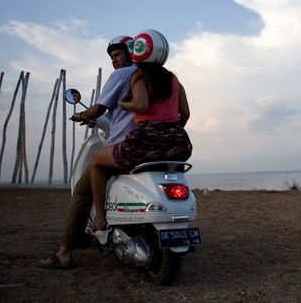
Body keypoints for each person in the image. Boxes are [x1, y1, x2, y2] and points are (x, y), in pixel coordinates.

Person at [39, 35, 136, 269]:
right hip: (152, 145)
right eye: (112, 57)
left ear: (131, 53)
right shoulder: (150, 78)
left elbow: (98, 109)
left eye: (118, 55)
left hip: (122, 146)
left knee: (83, 191)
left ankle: (66, 251)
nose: (114, 60)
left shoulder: (122, 75)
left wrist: (82, 115)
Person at [87, 29, 192, 234]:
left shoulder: (139, 76)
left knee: (97, 161)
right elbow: (185, 114)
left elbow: (141, 105)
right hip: (180, 144)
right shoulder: (174, 80)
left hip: (146, 143)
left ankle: (100, 220)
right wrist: (172, 132)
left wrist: (124, 104)